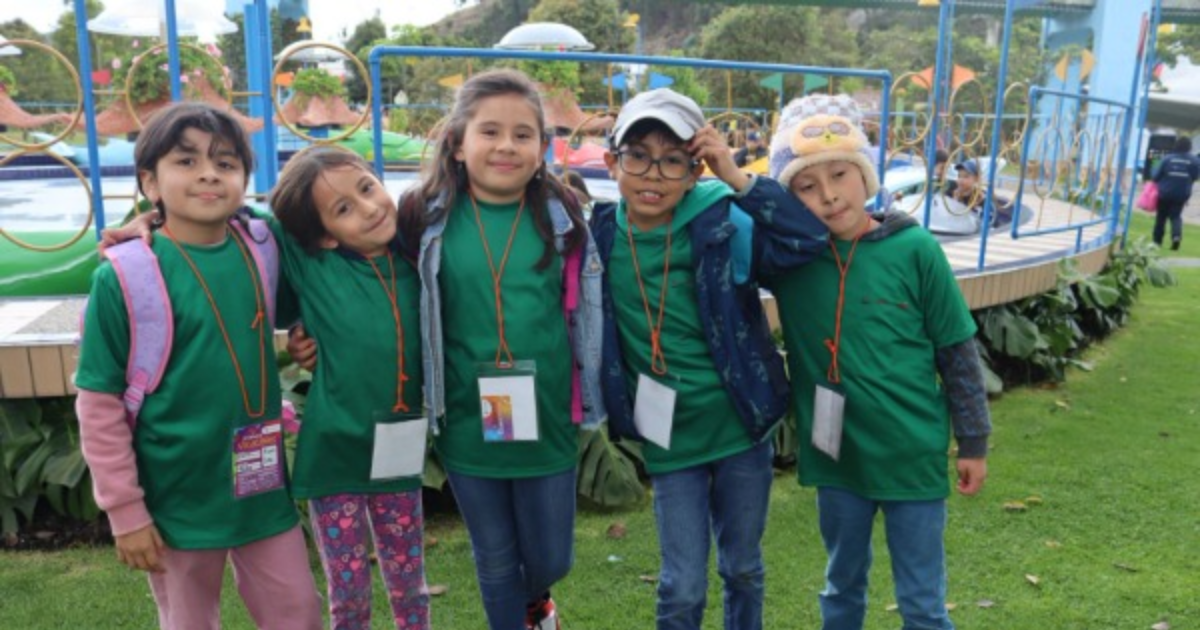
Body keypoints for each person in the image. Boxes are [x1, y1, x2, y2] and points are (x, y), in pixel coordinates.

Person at [104, 145, 434, 630]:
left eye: (367, 187)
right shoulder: (310, 263)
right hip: (334, 459)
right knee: (349, 594)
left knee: (411, 587)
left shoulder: (419, 255)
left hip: (399, 455)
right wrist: (151, 219)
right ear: (322, 236)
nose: (368, 208)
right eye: (343, 209)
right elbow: (236, 213)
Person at [734, 94, 992, 630]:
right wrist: (735, 178)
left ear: (866, 175)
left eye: (840, 175)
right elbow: (735, 224)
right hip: (838, 460)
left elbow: (957, 350)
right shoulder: (789, 261)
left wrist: (973, 441)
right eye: (806, 186)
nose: (828, 196)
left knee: (922, 602)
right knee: (841, 588)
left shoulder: (916, 249)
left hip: (912, 457)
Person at [75, 102, 324, 630]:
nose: (209, 173)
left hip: (260, 486)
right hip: (174, 500)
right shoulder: (123, 278)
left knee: (298, 612)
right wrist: (126, 513)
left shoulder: (261, 245)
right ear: (150, 182)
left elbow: (308, 291)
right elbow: (98, 406)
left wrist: (304, 335)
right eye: (185, 162)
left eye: (226, 162)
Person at [591, 89, 825, 630]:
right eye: (638, 155)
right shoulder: (599, 236)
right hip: (669, 434)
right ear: (612, 162)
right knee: (681, 586)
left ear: (696, 170)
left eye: (674, 160)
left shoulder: (722, 222)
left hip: (740, 424)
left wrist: (737, 176)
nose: (654, 174)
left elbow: (807, 239)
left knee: (742, 567)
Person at [399, 68, 605, 630]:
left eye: (523, 134)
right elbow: (349, 255)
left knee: (549, 557)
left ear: (542, 147)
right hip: (467, 418)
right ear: (458, 144)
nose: (506, 146)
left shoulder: (563, 219)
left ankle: (538, 600)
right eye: (490, 131)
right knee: (493, 558)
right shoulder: (423, 217)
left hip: (548, 419)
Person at [1151, 136, 1200, 250]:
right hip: (1182, 193)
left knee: (1161, 217)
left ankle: (1157, 241)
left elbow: (1156, 176)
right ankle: (1176, 237)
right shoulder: (1194, 161)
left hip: (1165, 192)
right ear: (1189, 147)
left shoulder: (1168, 159)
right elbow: (1195, 176)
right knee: (1176, 216)